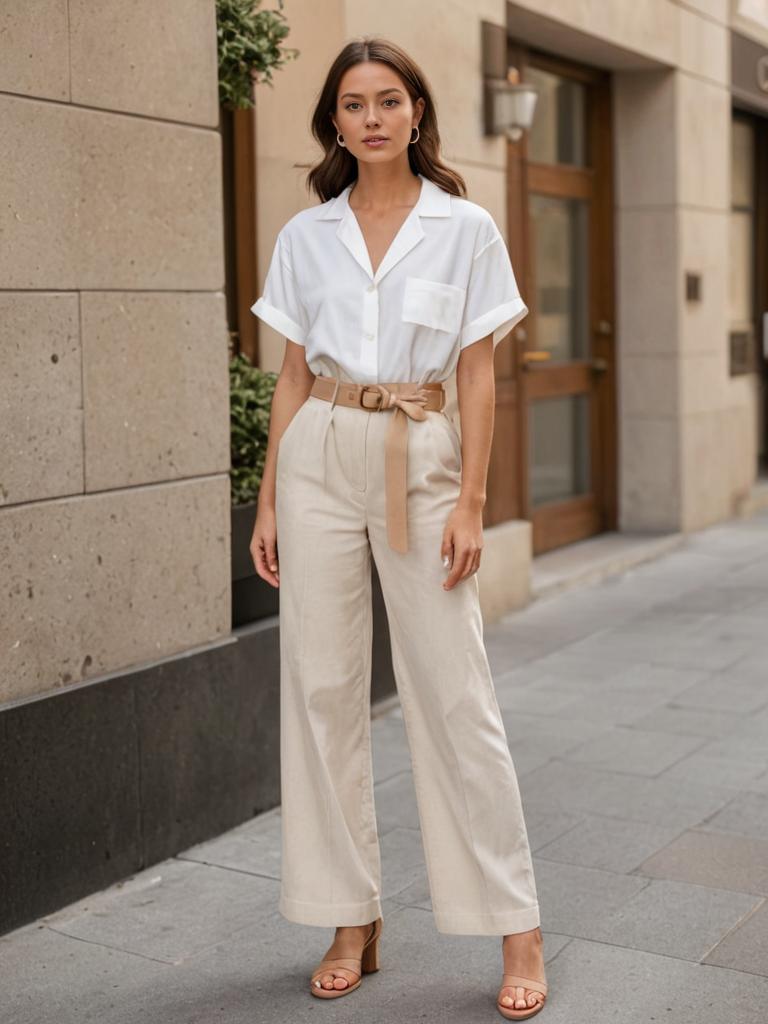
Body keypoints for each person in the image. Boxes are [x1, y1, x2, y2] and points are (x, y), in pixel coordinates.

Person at [249, 35, 548, 1021]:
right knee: (323, 690)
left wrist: (471, 500)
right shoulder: (307, 235)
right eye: (352, 103)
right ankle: (350, 916)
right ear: (333, 122)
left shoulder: (463, 228)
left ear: (416, 111)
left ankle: (517, 923)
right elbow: (292, 373)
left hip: (421, 460)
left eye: (388, 99)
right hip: (320, 456)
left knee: (454, 693)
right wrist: (267, 500)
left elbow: (478, 374)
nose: (371, 117)